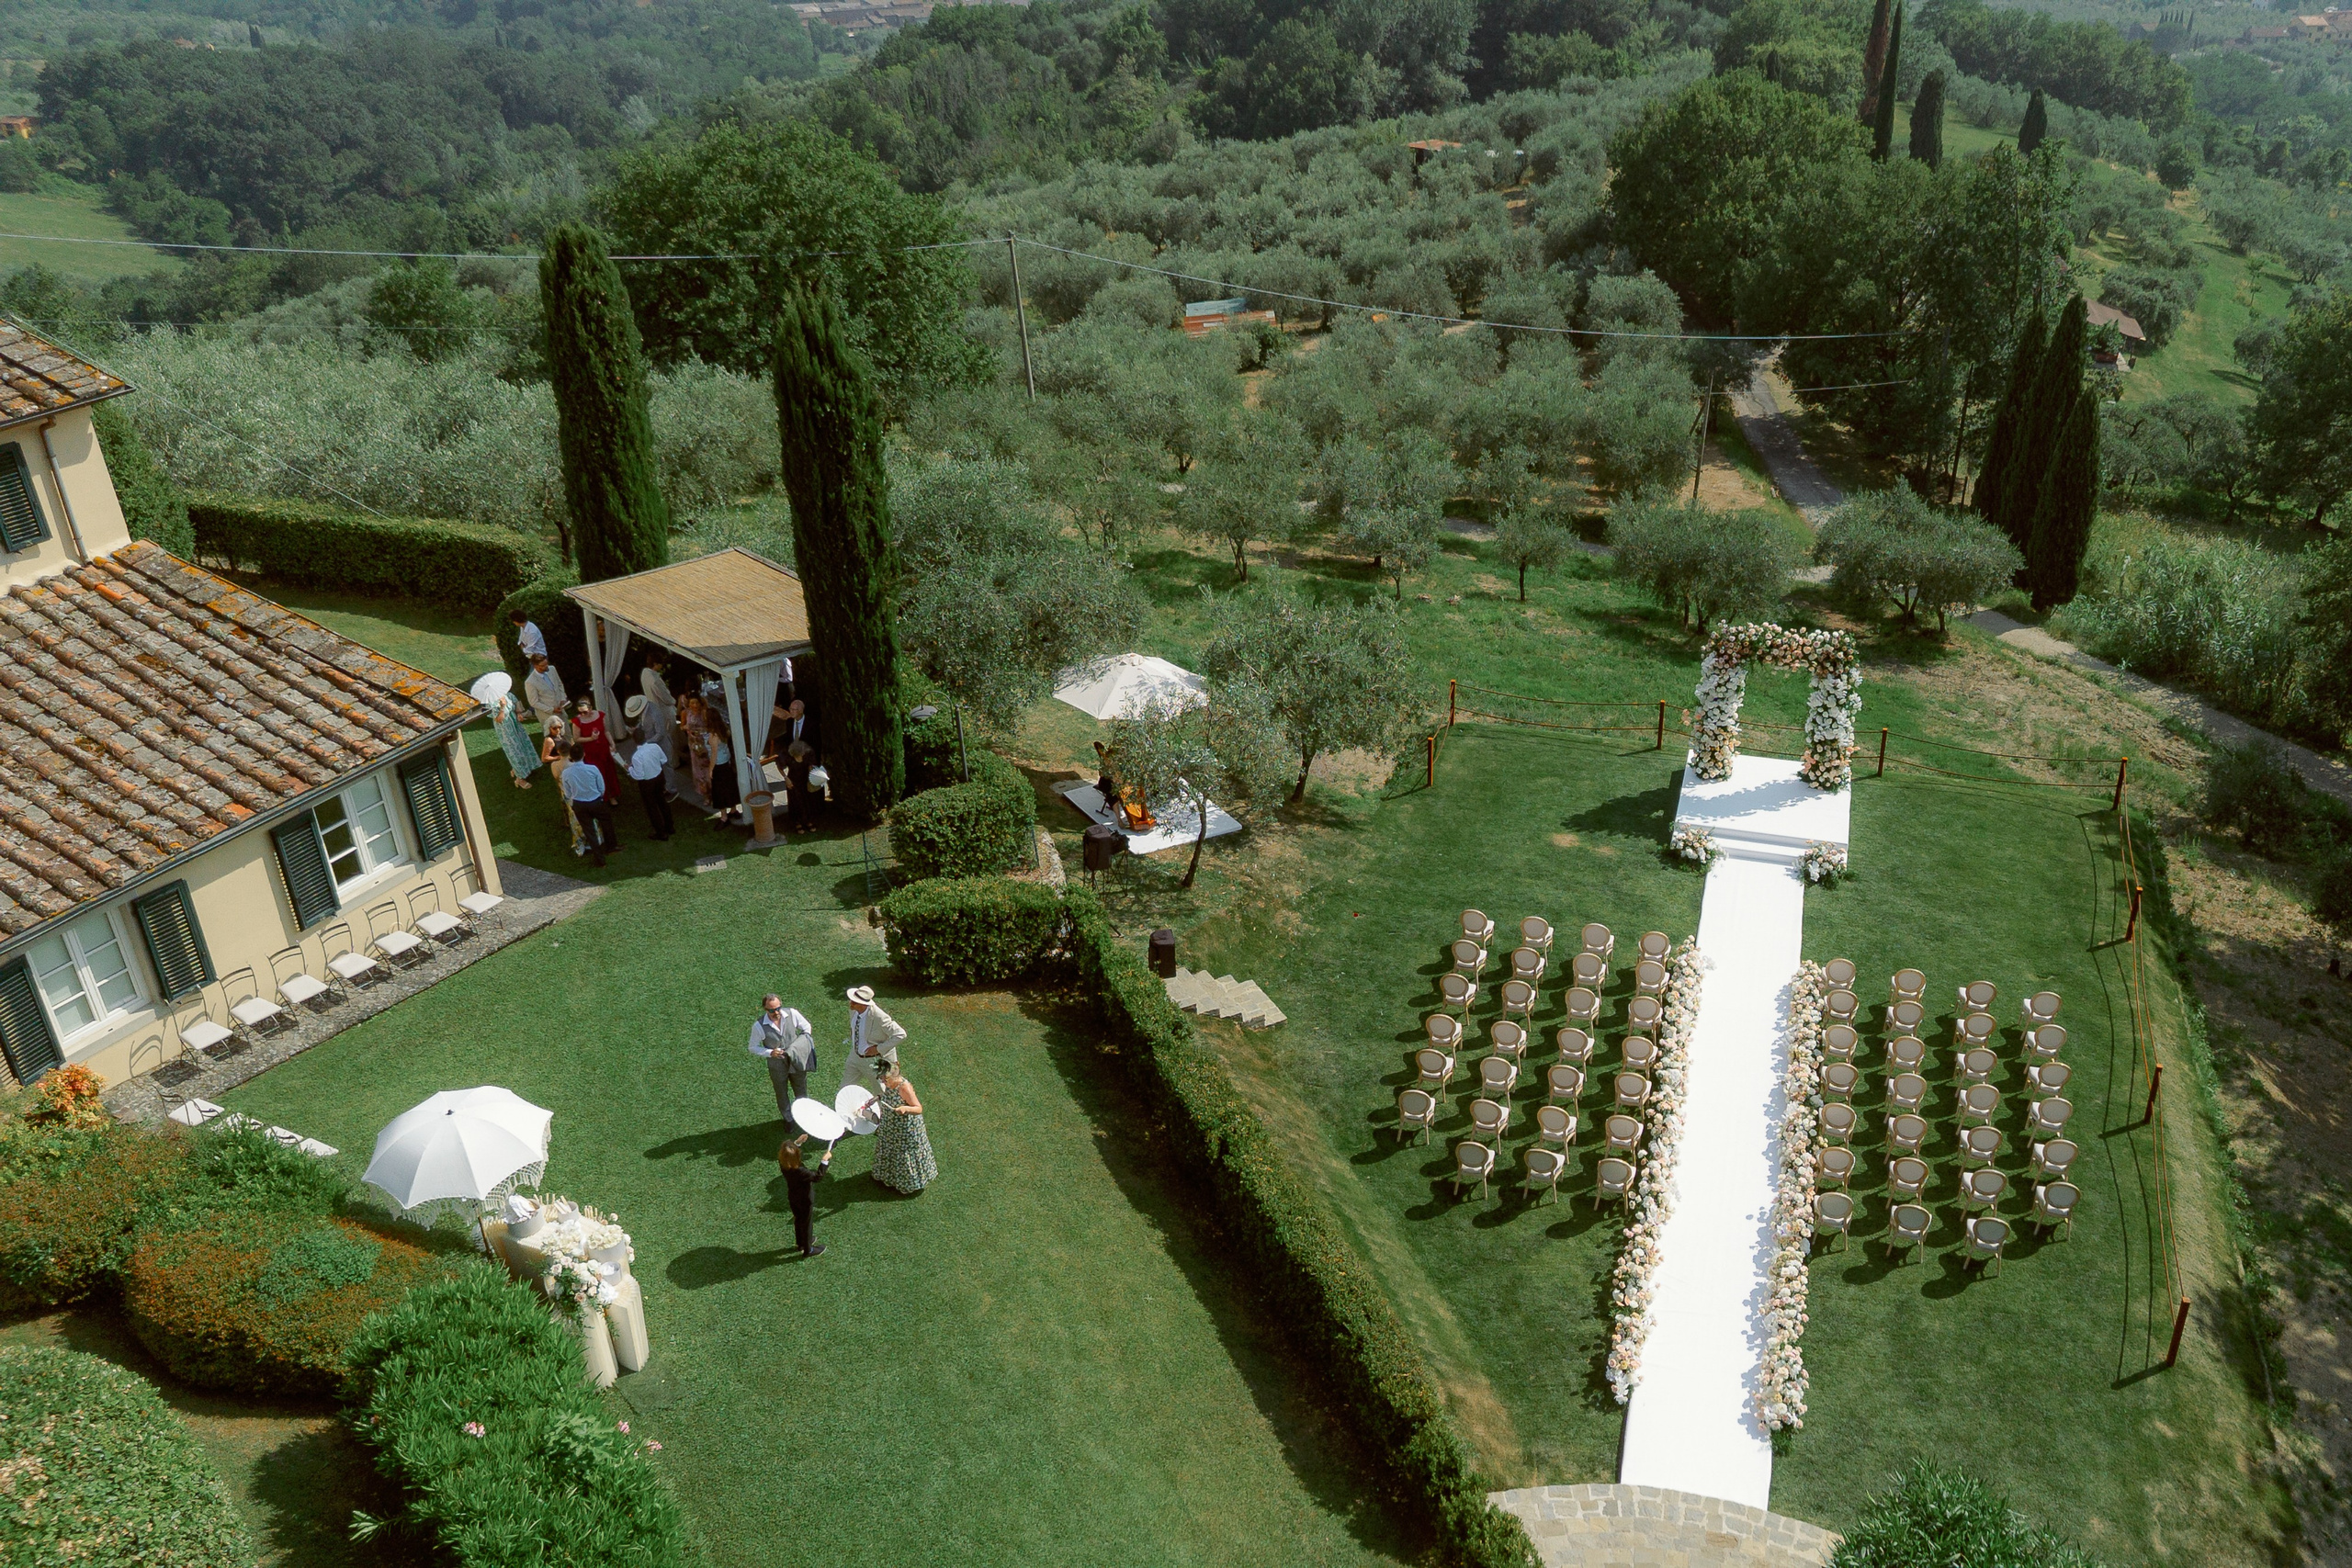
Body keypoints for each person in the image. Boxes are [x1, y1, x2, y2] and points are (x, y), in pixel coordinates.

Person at [870, 1060, 936, 1195]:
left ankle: (908, 1183)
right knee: (890, 1148)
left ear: (891, 1077)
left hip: (905, 1129)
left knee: (903, 1152)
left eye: (883, 1078)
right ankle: (888, 1177)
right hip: (891, 1125)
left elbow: (918, 1108)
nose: (882, 1081)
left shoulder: (904, 1087)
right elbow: (889, 1095)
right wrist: (878, 1097)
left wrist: (905, 1108)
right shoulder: (890, 1084)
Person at [749, 993, 817, 1120]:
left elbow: (807, 1027)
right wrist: (770, 1052)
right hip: (777, 1065)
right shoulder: (758, 1026)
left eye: (778, 1008)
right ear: (765, 1009)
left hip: (796, 1059)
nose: (776, 1012)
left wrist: (800, 1044)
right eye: (772, 1010)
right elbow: (752, 1047)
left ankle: (803, 1114)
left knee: (801, 1087)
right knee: (781, 1092)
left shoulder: (792, 1013)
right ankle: (788, 1118)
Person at [560, 741, 619, 866]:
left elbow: (567, 792)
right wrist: (599, 796)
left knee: (589, 831)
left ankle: (599, 859)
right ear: (584, 754)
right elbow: (601, 787)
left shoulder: (566, 773)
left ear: (571, 757)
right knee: (606, 822)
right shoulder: (592, 769)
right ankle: (611, 847)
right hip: (595, 801)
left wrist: (573, 801)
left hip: (579, 805)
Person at [841, 985, 905, 1091]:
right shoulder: (853, 1010)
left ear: (864, 1005)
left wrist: (877, 1049)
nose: (851, 1003)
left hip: (875, 1061)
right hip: (855, 1057)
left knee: (881, 1093)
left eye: (854, 1002)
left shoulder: (879, 1016)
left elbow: (900, 1034)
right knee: (844, 1090)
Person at [776, 1134, 830, 1259]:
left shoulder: (782, 1163)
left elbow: (788, 1154)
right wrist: (824, 1161)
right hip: (805, 1200)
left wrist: (797, 1143)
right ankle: (808, 1249)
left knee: (798, 1220)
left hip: (793, 1197)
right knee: (807, 1223)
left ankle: (801, 1243)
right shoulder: (800, 1171)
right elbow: (818, 1177)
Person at [540, 710, 584, 853]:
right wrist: (558, 758)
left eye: (559, 727)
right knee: (564, 796)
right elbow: (544, 758)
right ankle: (568, 820)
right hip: (560, 769)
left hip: (569, 764)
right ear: (549, 728)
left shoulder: (563, 736)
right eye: (555, 728)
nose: (558, 730)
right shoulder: (549, 740)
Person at [483, 678, 538, 789]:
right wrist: (502, 707)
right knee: (514, 751)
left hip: (516, 726)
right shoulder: (491, 703)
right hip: (506, 731)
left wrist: (519, 714)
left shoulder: (508, 694)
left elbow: (517, 704)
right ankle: (519, 779)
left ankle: (524, 768)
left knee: (524, 746)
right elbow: (499, 719)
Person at [636, 659, 679, 798]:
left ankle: (671, 788)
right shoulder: (652, 679)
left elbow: (661, 732)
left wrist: (647, 742)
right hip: (654, 737)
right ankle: (665, 784)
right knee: (662, 761)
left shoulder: (654, 712)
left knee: (667, 760)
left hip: (658, 736)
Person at [625, 718, 674, 840]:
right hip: (659, 777)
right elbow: (664, 760)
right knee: (662, 801)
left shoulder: (637, 756)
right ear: (645, 737)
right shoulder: (655, 747)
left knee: (652, 807)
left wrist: (630, 769)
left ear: (634, 741)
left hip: (647, 783)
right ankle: (670, 826)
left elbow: (639, 775)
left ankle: (661, 832)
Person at [572, 695, 621, 801]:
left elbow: (606, 731)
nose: (583, 715)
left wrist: (612, 743)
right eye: (581, 712)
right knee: (598, 773)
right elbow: (576, 739)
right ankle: (601, 796)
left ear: (590, 708)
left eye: (585, 712)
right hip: (591, 752)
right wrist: (590, 738)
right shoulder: (578, 721)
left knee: (609, 772)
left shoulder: (600, 715)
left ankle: (612, 795)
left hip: (603, 748)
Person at [680, 694, 717, 806]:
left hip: (705, 744)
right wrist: (685, 727)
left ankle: (715, 793)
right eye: (692, 703)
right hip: (694, 745)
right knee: (699, 772)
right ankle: (706, 795)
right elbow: (682, 726)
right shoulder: (685, 713)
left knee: (709, 770)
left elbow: (711, 726)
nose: (695, 705)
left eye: (697, 703)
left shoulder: (704, 713)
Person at [524, 654, 568, 731]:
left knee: (567, 735)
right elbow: (533, 702)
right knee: (554, 740)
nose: (546, 666)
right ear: (535, 666)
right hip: (547, 715)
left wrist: (563, 698)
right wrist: (551, 709)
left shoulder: (552, 669)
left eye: (546, 663)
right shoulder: (530, 682)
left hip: (561, 711)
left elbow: (560, 684)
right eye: (543, 665)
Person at [783, 739, 818, 831]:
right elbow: (779, 765)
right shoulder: (788, 757)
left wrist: (812, 777)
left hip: (804, 780)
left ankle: (808, 821)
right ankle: (797, 822)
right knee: (796, 802)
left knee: (807, 801)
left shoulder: (808, 754)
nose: (801, 756)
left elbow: (810, 765)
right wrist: (786, 778)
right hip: (793, 781)